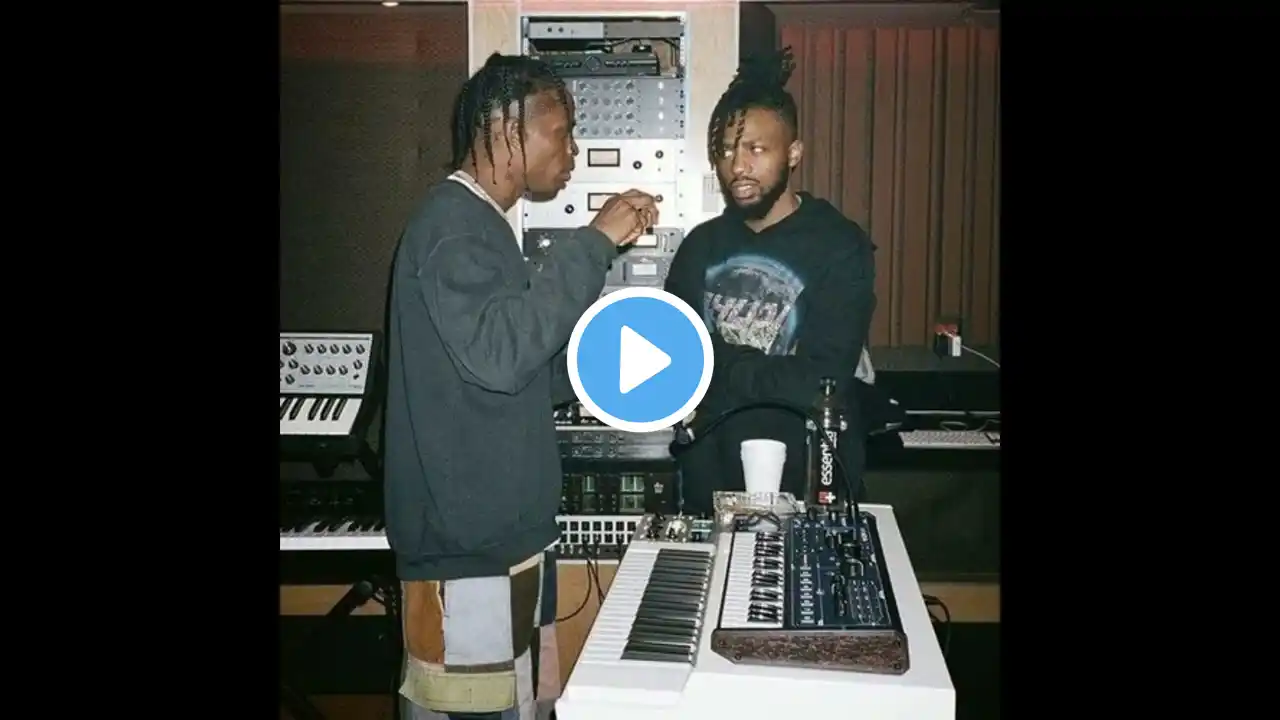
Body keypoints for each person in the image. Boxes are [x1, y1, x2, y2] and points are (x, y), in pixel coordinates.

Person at [382, 53, 658, 720]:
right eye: (561, 132)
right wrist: (594, 243)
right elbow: (502, 356)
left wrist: (602, 369)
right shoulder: (452, 225)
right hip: (469, 558)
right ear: (509, 130)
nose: (573, 150)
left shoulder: (479, 226)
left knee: (521, 707)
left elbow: (508, 373)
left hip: (499, 544)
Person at [664, 47, 878, 515]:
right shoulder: (700, 246)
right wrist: (756, 372)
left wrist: (718, 366)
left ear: (794, 153)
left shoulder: (839, 245)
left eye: (755, 149)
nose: (737, 166)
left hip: (808, 485)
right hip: (710, 484)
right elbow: (676, 359)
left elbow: (821, 381)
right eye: (726, 151)